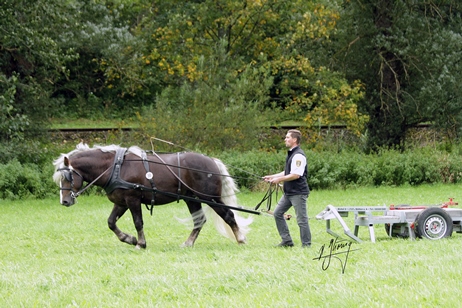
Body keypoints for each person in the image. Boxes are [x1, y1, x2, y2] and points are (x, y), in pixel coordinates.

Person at [263, 129, 311, 248]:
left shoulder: (298, 155)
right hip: (289, 192)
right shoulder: (292, 154)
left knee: (301, 219)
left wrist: (279, 180)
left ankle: (306, 245)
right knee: (278, 213)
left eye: (287, 137)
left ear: (294, 140)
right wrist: (272, 176)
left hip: (298, 192)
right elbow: (288, 171)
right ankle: (287, 241)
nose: (285, 139)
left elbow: (296, 174)